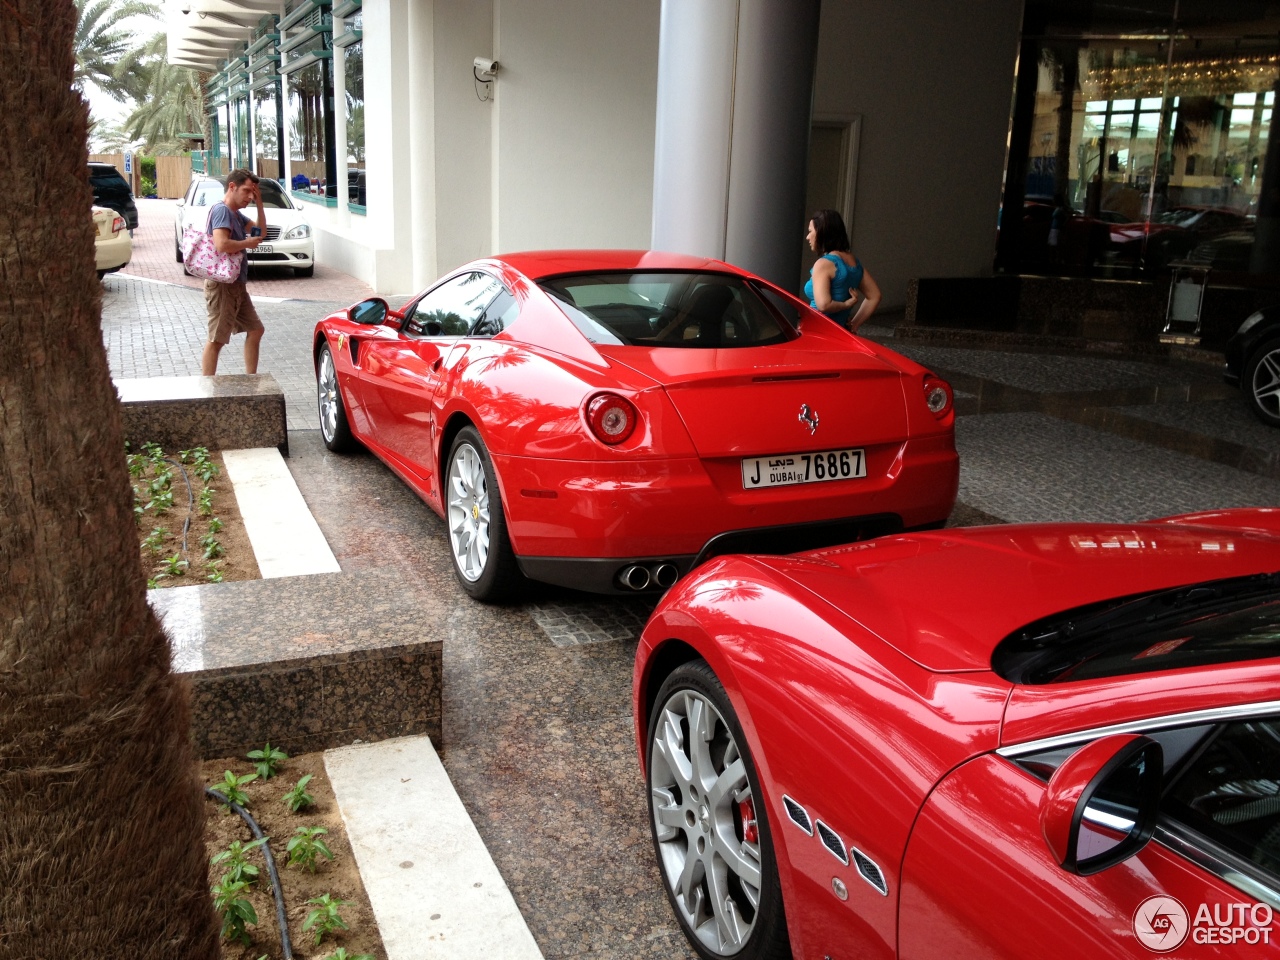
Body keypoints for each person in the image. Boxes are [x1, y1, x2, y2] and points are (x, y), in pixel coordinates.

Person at [201, 169, 267, 376]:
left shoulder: (236, 214)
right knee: (217, 339)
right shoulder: (222, 211)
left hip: (236, 284)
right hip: (223, 286)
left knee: (256, 330)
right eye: (246, 191)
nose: (249, 196)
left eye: (253, 193)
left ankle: (251, 379)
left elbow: (260, 232)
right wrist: (247, 243)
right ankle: (207, 387)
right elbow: (221, 244)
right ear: (232, 187)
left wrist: (259, 203)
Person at [804, 208, 880, 332]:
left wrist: (846, 305)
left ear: (822, 232)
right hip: (841, 333)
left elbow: (823, 305)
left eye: (810, 231)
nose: (808, 237)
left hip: (818, 332)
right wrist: (854, 325)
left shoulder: (823, 264)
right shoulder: (854, 262)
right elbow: (875, 296)